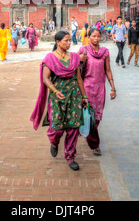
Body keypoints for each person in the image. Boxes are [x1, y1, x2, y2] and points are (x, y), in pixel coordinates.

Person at [30, 30, 89, 171]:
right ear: (58, 42)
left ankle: (70, 156)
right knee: (57, 128)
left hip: (74, 96)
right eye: (66, 41)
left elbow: (79, 78)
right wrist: (55, 91)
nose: (69, 43)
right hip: (58, 97)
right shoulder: (50, 58)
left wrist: (84, 96)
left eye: (70, 40)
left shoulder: (74, 57)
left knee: (73, 128)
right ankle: (54, 142)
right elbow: (46, 78)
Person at [78, 28, 116, 156]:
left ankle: (87, 132)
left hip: (100, 89)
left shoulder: (105, 52)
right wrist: (79, 59)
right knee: (89, 116)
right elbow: (74, 66)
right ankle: (94, 144)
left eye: (98, 36)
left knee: (97, 117)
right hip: (87, 88)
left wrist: (113, 87)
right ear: (88, 37)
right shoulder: (83, 50)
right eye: (93, 36)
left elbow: (108, 70)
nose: (96, 39)